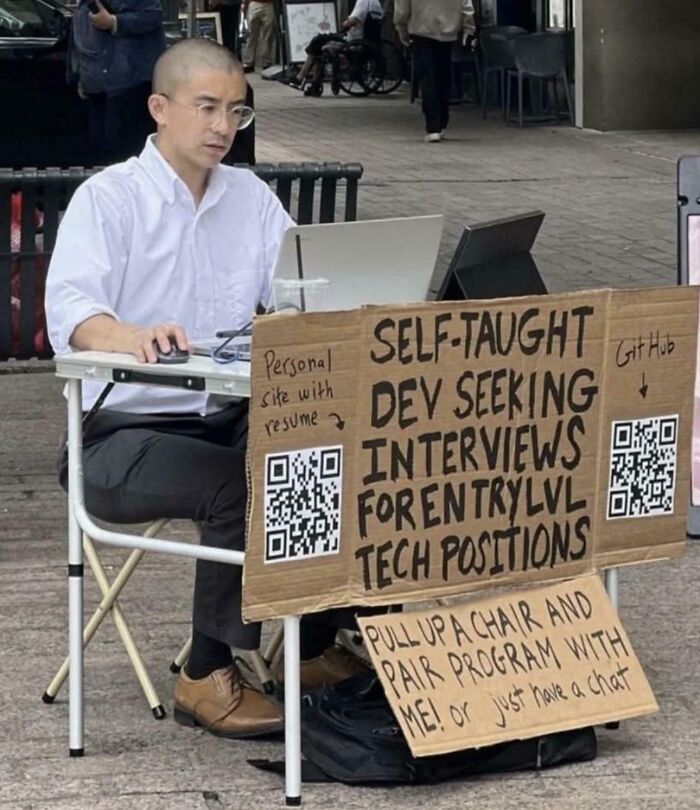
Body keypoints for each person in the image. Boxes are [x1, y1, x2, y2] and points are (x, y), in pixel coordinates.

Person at [45, 39, 369, 740]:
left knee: (328, 452)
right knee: (239, 485)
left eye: (237, 111)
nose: (224, 126)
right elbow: (71, 314)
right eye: (208, 108)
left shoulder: (249, 198)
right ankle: (204, 671)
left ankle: (310, 647)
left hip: (224, 411)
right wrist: (127, 335)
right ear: (159, 109)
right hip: (115, 436)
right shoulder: (109, 200)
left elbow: (300, 287)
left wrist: (318, 312)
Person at [68, 0, 166, 164]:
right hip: (95, 84)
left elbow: (152, 16)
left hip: (128, 83)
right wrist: (80, 74)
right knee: (100, 151)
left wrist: (114, 22)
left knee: (121, 153)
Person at [394, 0, 475, 142]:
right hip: (448, 32)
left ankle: (433, 126)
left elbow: (402, 8)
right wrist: (468, 28)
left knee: (427, 77)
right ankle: (442, 121)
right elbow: (466, 5)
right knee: (443, 76)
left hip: (421, 32)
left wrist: (401, 27)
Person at [290, 0, 384, 96]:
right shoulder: (376, 3)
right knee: (319, 44)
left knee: (318, 40)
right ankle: (310, 81)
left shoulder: (363, 2)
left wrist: (346, 22)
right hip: (366, 41)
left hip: (353, 40)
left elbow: (354, 20)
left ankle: (302, 77)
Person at [241, 0, 278, 73]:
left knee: (268, 35)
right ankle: (249, 62)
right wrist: (244, 3)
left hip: (268, 3)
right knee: (251, 35)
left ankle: (266, 62)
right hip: (254, 3)